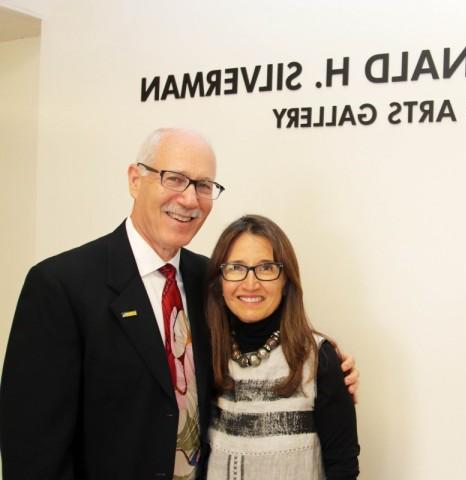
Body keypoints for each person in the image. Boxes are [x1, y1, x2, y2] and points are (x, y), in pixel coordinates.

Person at [0, 128, 358, 479]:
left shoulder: (211, 280)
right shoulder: (61, 285)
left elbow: (265, 345)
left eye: (203, 185)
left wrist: (331, 372)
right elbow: (31, 448)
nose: (189, 199)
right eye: (174, 178)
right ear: (135, 179)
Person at [204, 215, 359, 479]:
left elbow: (343, 467)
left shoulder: (320, 359)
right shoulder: (204, 352)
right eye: (236, 268)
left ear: (286, 280)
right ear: (220, 280)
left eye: (266, 268)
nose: (250, 283)